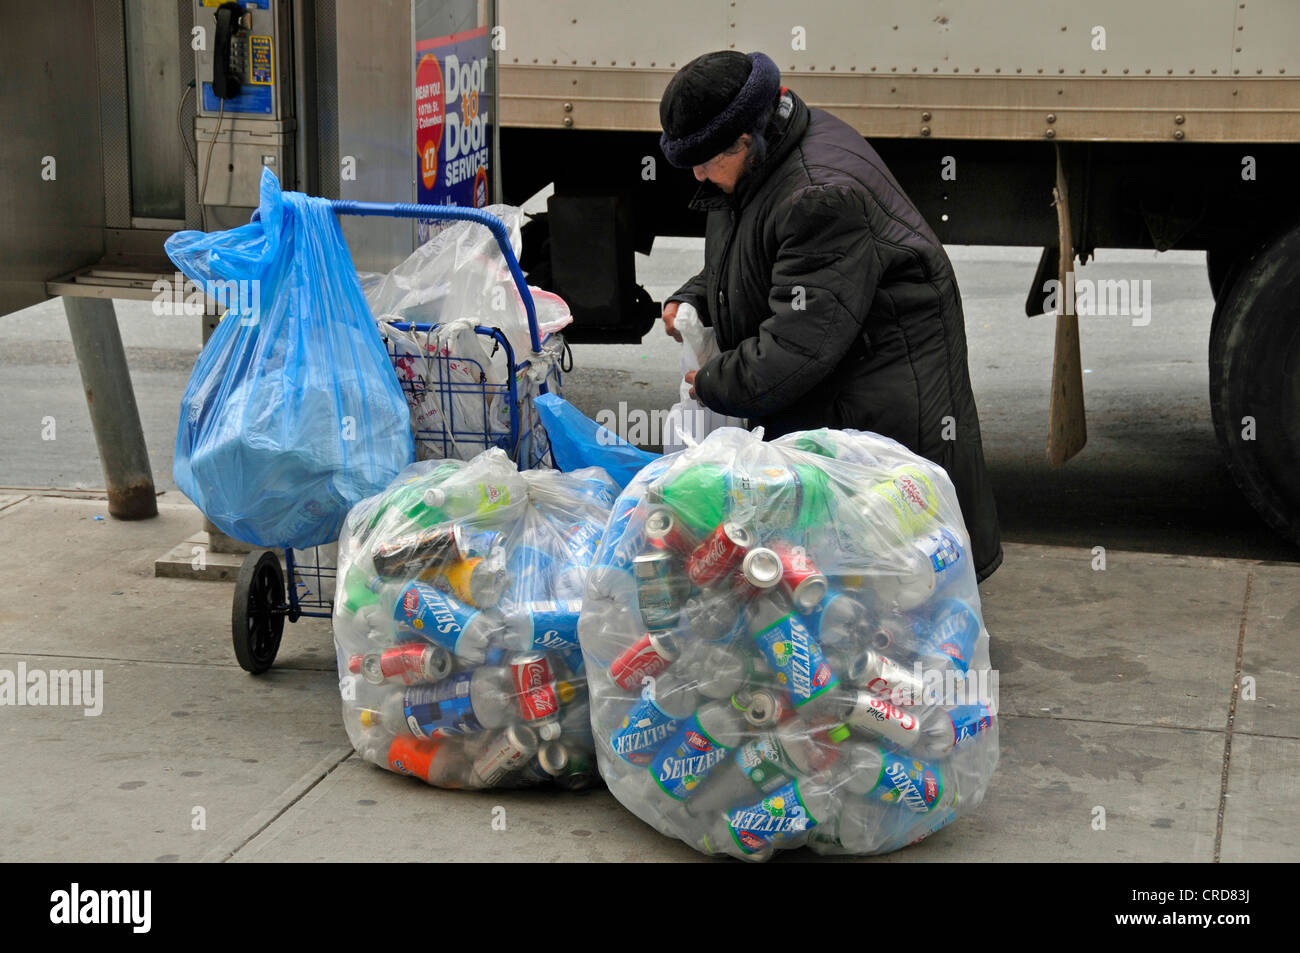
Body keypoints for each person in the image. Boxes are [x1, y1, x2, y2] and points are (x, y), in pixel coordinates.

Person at [658, 50, 1002, 581]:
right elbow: (755, 261)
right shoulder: (766, 160)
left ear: (746, 141)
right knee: (841, 588)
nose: (699, 175)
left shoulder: (818, 194)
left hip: (876, 399)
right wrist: (697, 296)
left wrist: (709, 382)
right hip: (847, 383)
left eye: (706, 161)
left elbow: (796, 349)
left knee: (889, 584)